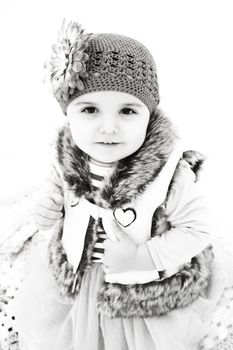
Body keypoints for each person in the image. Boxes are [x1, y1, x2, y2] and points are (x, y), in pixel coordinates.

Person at [13, 19, 232, 350]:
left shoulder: (169, 174)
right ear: (67, 115)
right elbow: (58, 193)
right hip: (80, 274)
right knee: (60, 333)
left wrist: (143, 257)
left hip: (139, 287)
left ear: (149, 115)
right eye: (89, 109)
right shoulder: (68, 156)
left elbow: (197, 231)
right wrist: (48, 209)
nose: (109, 127)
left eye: (128, 111)